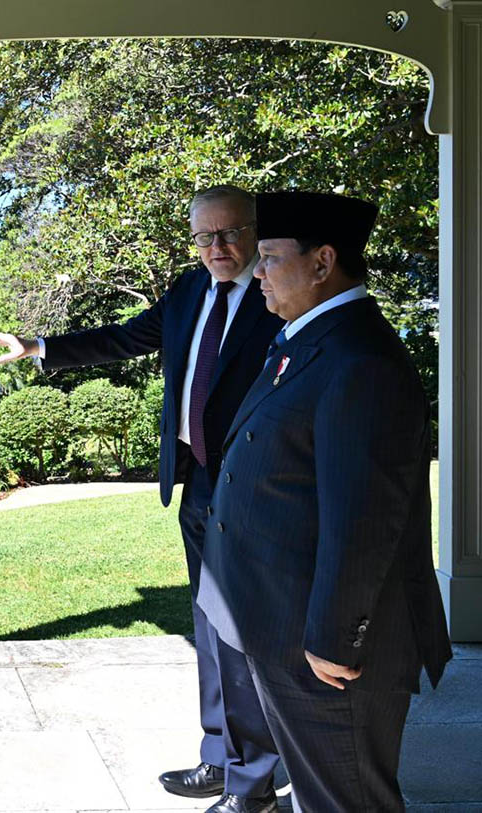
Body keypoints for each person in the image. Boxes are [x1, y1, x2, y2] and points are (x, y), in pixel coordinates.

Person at [0, 185, 284, 813]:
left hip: (255, 484)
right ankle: (218, 757)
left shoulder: (279, 289)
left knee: (245, 630)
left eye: (229, 233)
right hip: (198, 477)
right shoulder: (190, 289)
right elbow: (126, 338)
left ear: (256, 230)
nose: (217, 248)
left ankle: (253, 784)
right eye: (204, 237)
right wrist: (39, 348)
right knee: (207, 623)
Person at [196, 191, 453, 811]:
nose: (256, 272)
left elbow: (364, 518)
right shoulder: (308, 338)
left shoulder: (360, 359)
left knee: (346, 798)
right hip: (281, 620)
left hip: (325, 646)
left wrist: (337, 636)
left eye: (270, 258)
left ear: (322, 261)